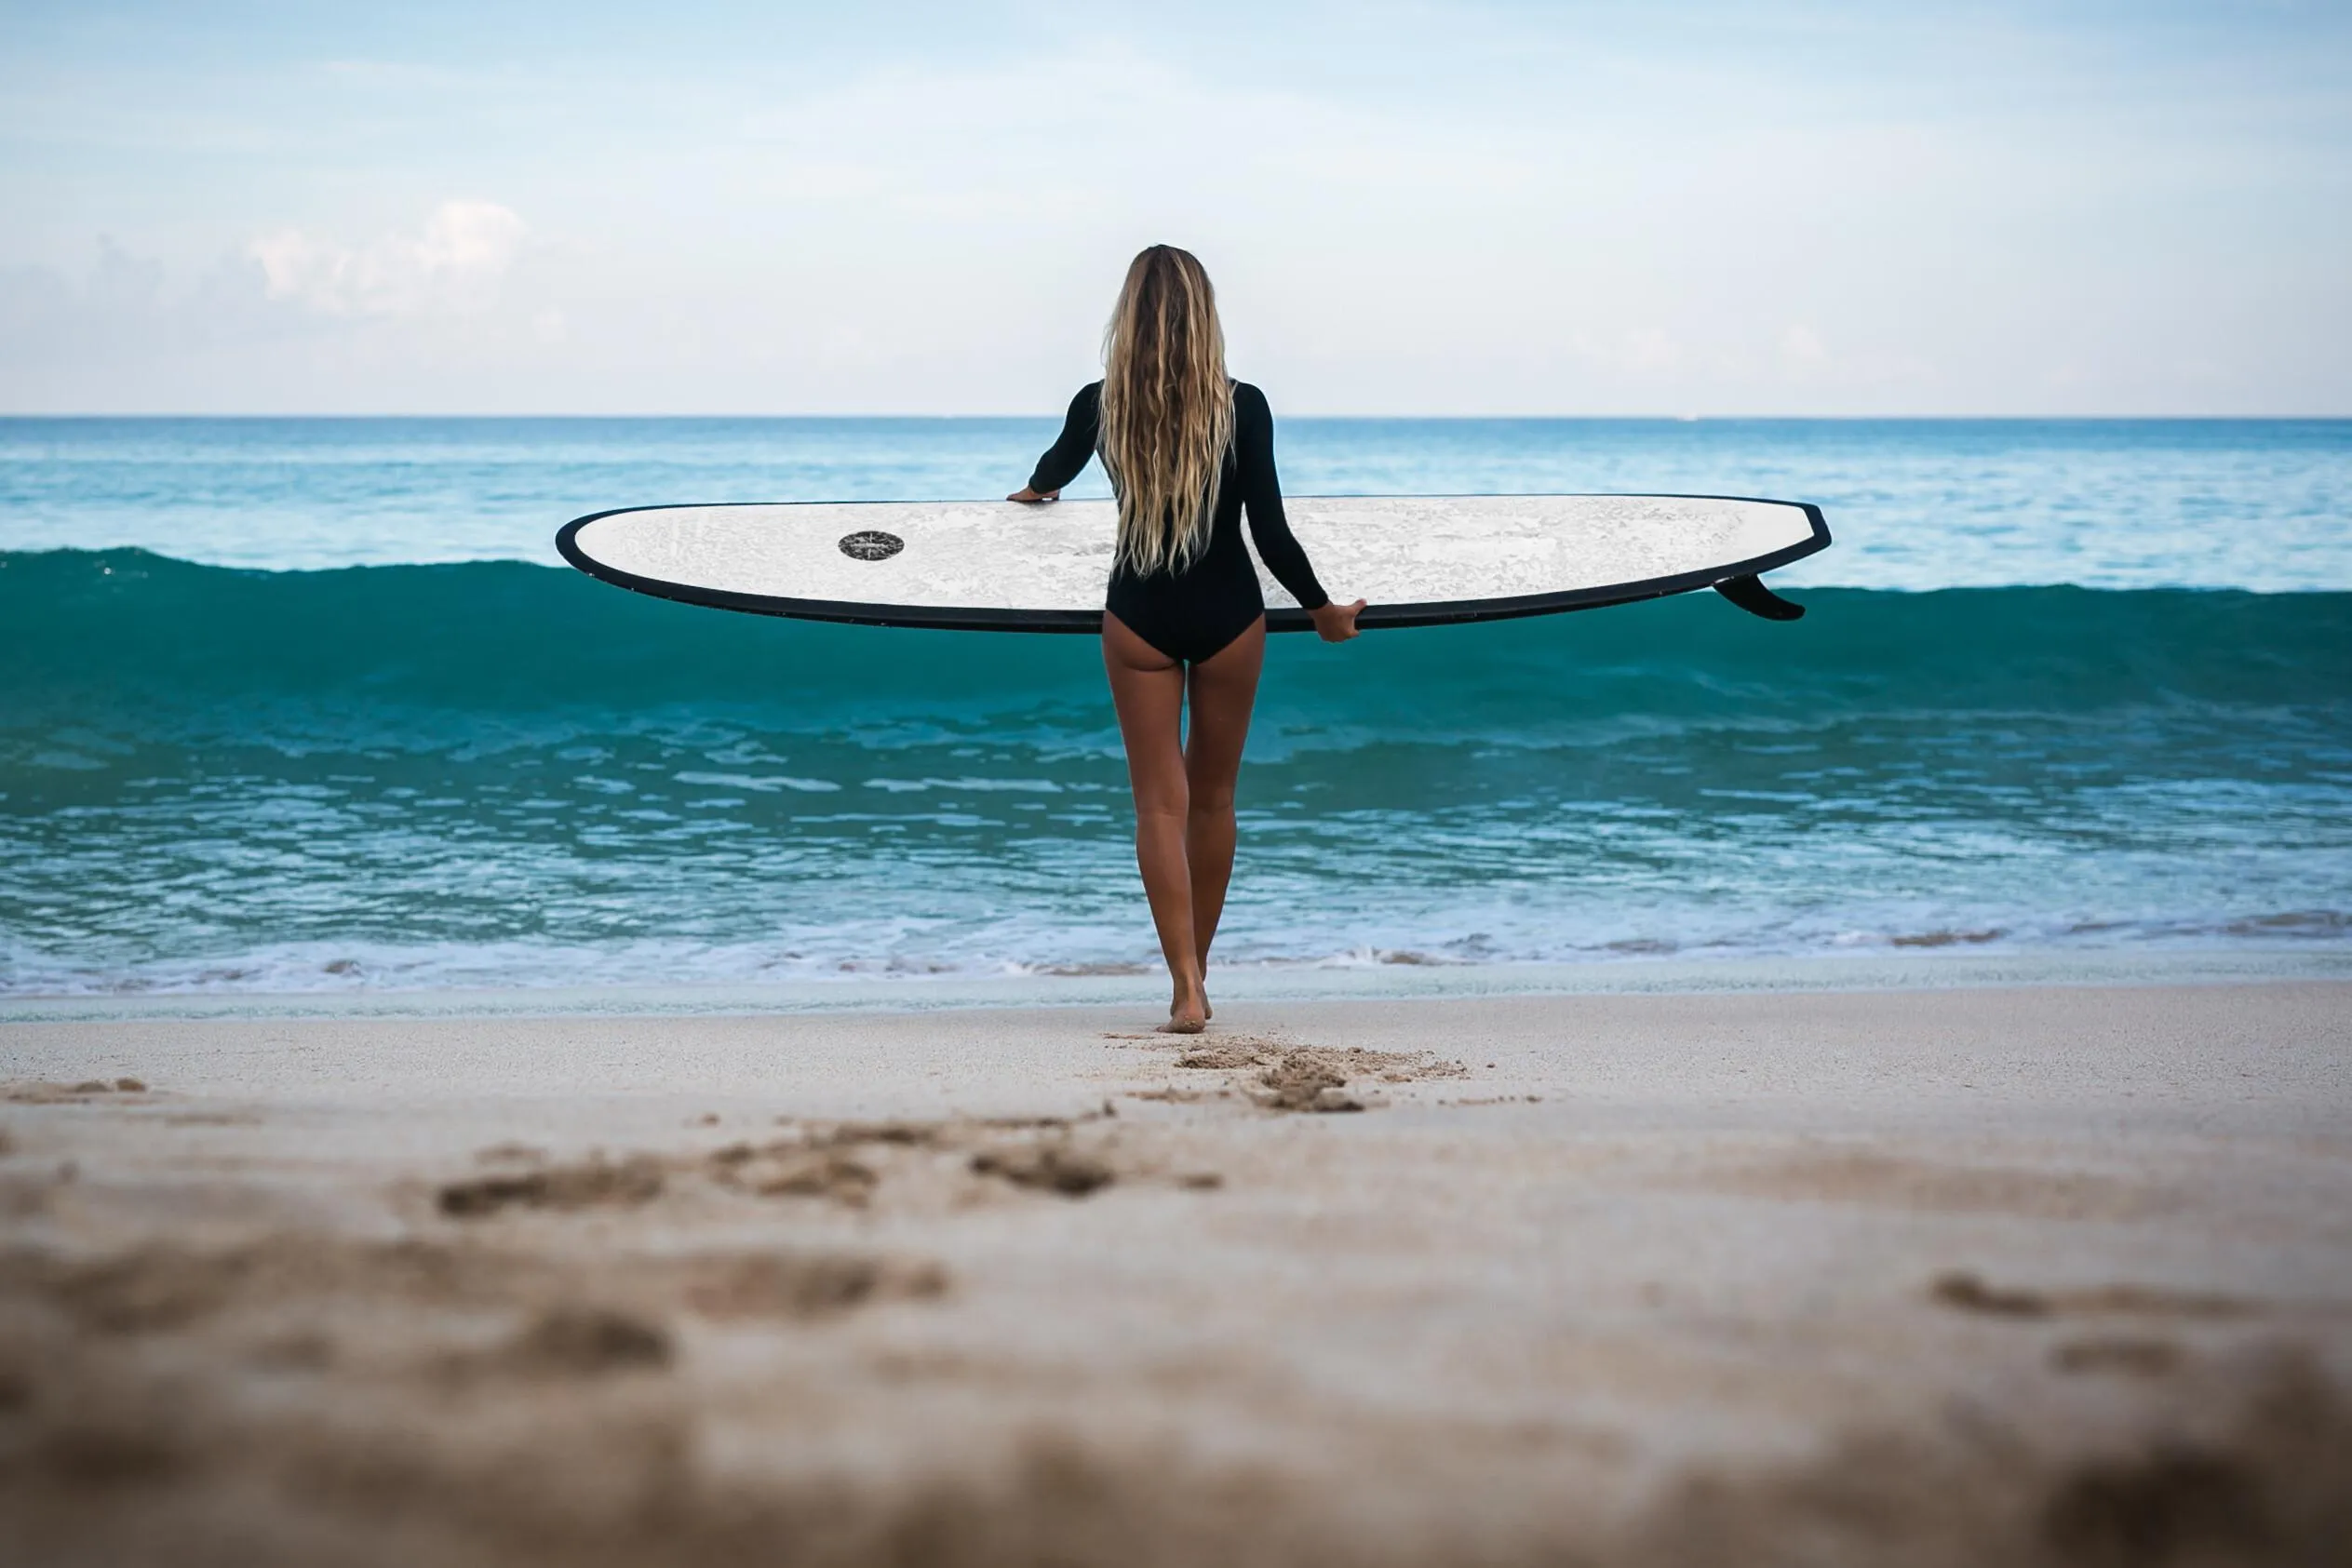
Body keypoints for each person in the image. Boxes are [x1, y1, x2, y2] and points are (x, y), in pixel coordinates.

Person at [1011, 245, 1364, 1033]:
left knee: (1157, 808)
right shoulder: (1243, 405)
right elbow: (1269, 533)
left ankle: (1182, 985)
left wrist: (1034, 492)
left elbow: (1051, 470)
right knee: (1213, 801)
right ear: (1206, 316)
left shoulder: (1099, 404)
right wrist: (1322, 610)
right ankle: (1199, 974)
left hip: (1137, 614)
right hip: (1230, 616)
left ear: (1127, 316)